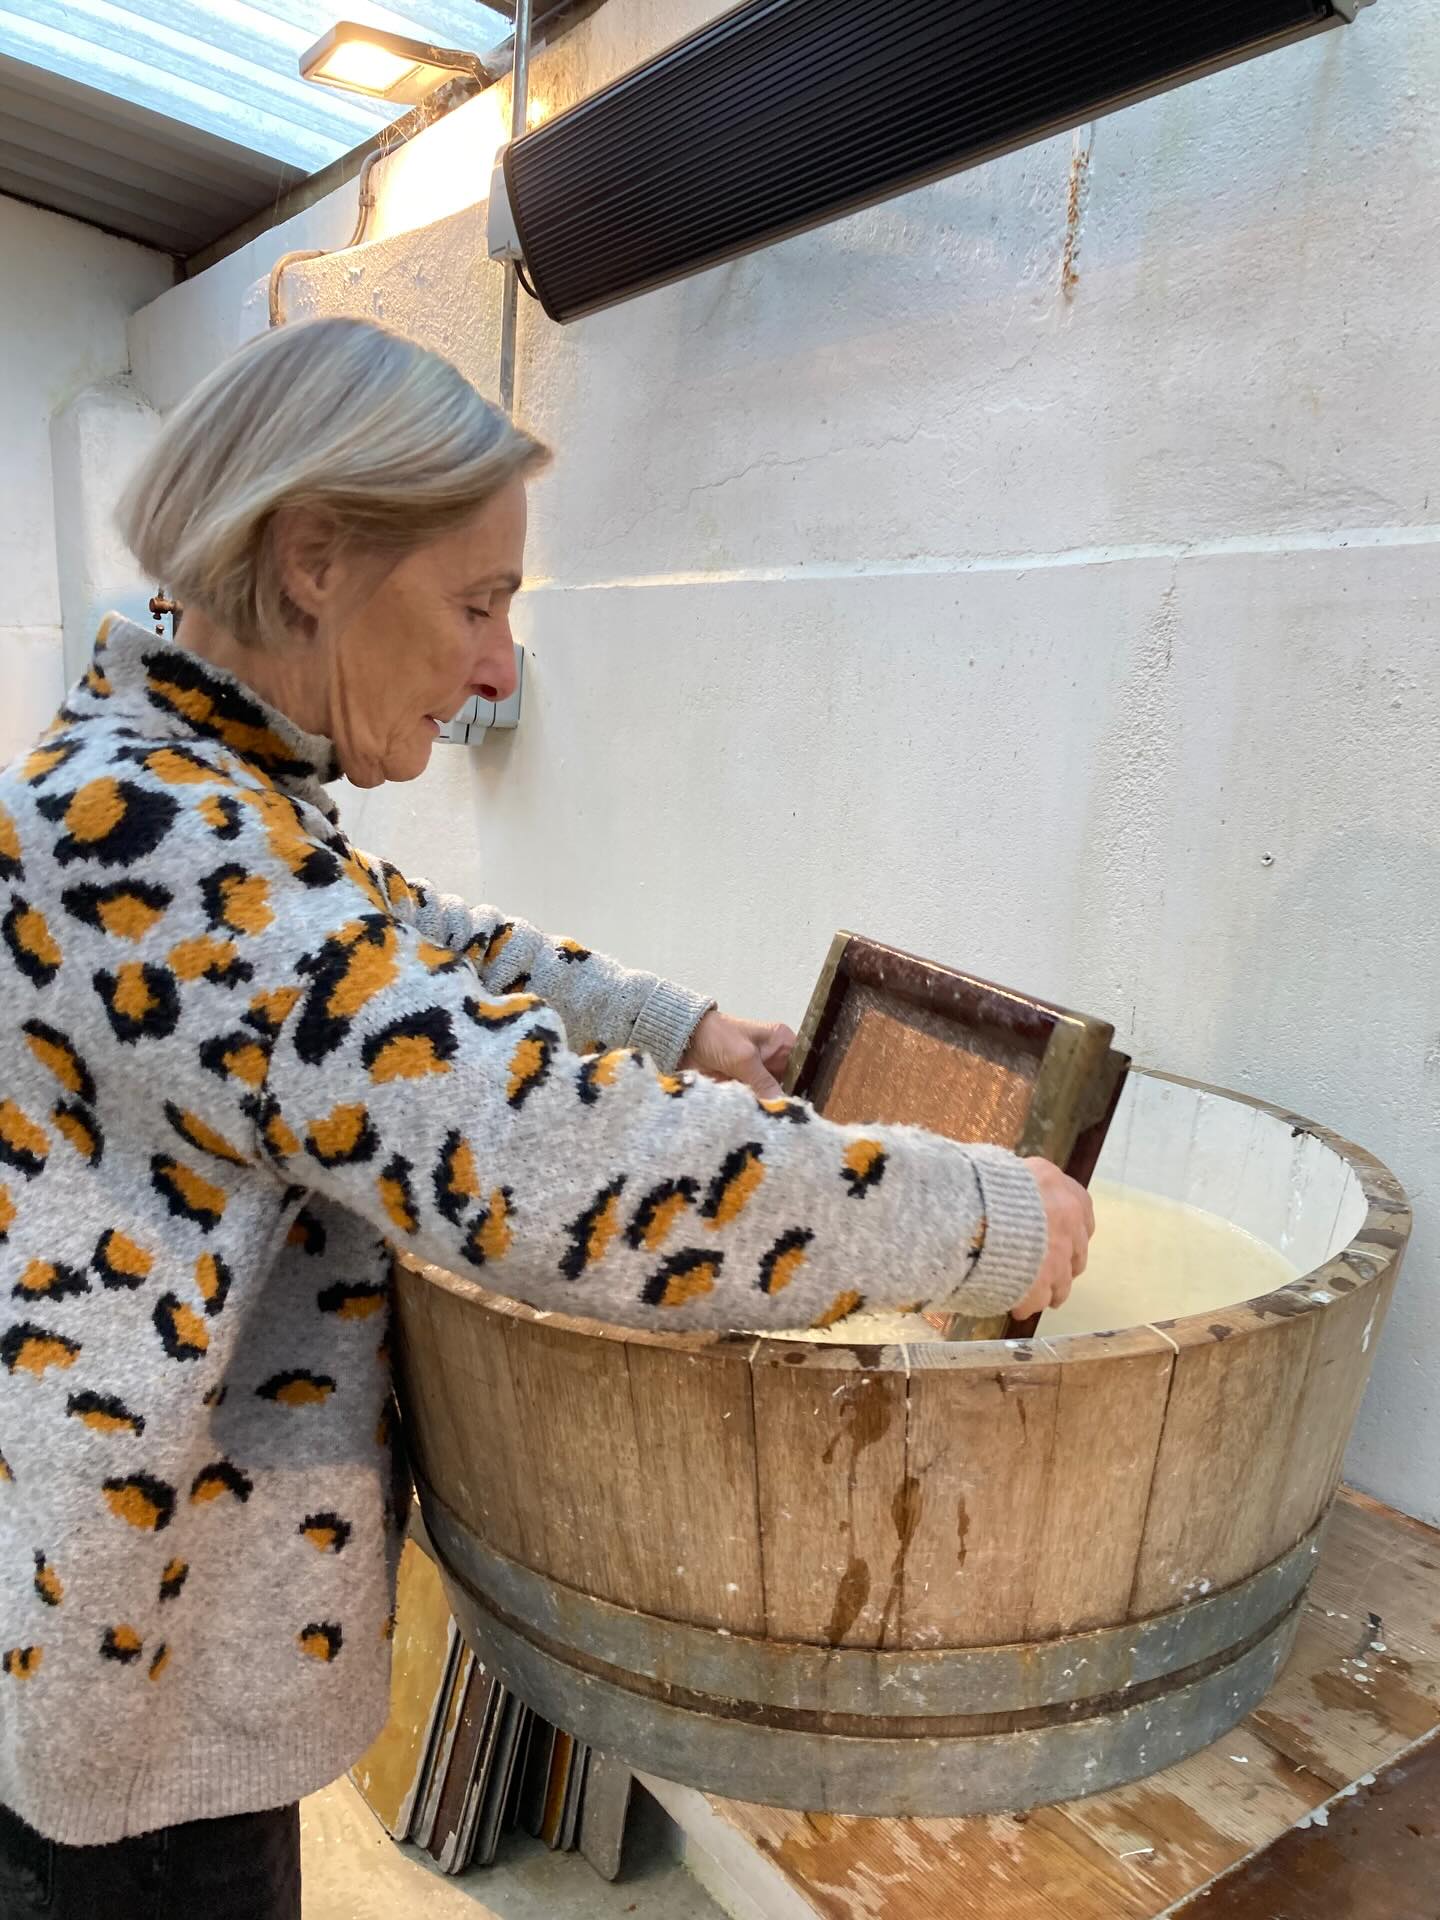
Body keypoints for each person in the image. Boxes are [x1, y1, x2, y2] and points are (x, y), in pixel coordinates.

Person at [0, 317, 1092, 1916]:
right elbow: (548, 1165)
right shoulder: (153, 842)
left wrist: (676, 1026)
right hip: (122, 1687)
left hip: (136, 1634)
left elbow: (408, 939)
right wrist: (981, 1218)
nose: (502, 664)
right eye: (478, 601)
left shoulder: (180, 787)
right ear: (313, 558)